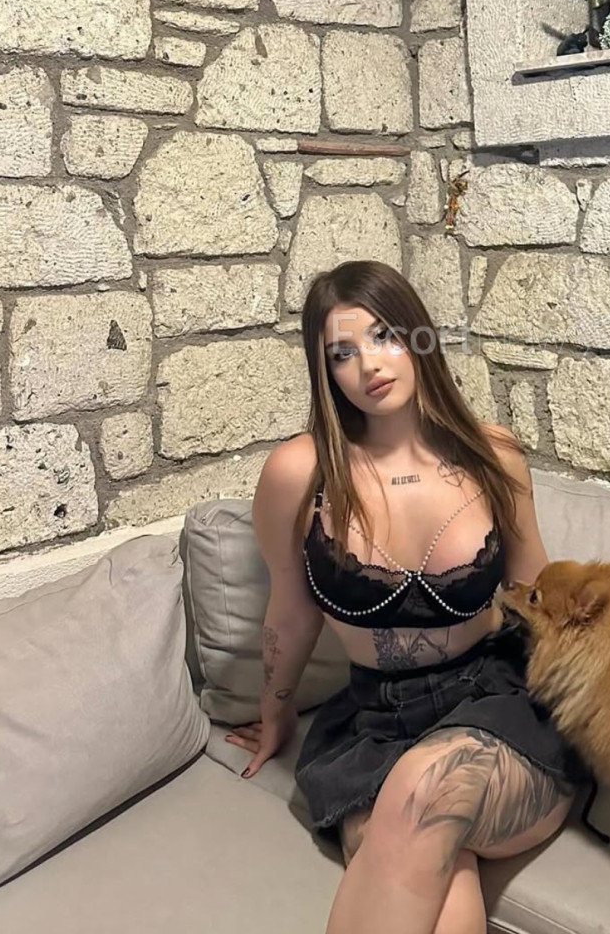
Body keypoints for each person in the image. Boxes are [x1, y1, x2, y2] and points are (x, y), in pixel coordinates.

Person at [225, 260, 584, 934]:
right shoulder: (298, 473)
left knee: (423, 792)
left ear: (419, 338)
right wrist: (275, 711)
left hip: (498, 706)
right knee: (442, 878)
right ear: (325, 370)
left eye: (385, 336)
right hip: (376, 723)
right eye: (342, 353)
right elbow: (292, 613)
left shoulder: (494, 456)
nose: (368, 364)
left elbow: (541, 597)